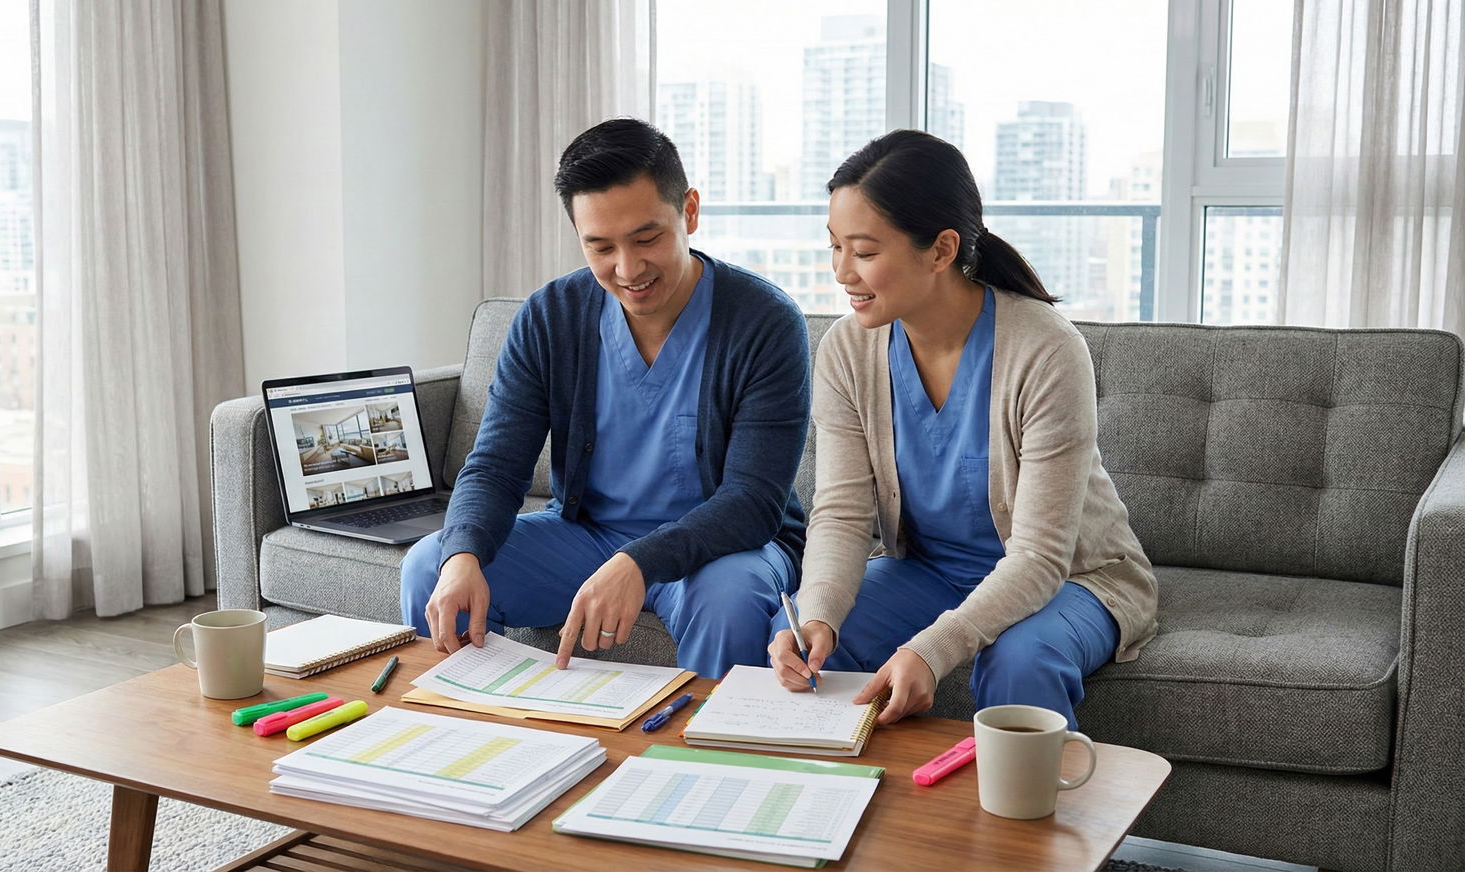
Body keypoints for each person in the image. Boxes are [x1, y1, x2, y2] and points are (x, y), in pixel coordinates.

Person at [769, 129, 1158, 728]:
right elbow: (842, 513)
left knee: (1018, 664)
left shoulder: (1046, 350)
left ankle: (1032, 797)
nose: (842, 271)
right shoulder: (847, 350)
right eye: (834, 246)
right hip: (928, 573)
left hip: (1073, 579)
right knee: (802, 641)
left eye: (864, 252)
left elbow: (1039, 556)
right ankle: (849, 789)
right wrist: (817, 612)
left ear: (942, 249)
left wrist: (935, 647)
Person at [401, 118, 810, 678]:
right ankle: (469, 728)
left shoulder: (765, 322)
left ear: (689, 211)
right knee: (431, 567)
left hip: (725, 551)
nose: (628, 268)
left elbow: (753, 501)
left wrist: (637, 562)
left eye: (647, 239)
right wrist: (463, 553)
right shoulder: (550, 317)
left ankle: (713, 738)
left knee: (728, 604)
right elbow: (495, 465)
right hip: (587, 536)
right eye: (601, 247)